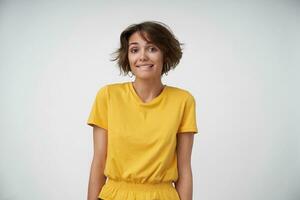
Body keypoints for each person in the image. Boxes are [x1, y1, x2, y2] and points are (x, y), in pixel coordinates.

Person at [86, 21, 198, 200]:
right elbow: (98, 161)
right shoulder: (108, 96)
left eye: (152, 49)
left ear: (165, 55)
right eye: (134, 50)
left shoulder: (183, 101)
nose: (142, 56)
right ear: (127, 57)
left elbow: (184, 169)